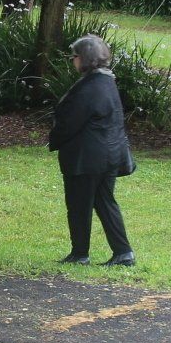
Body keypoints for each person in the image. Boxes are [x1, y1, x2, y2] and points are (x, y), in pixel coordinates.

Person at [48, 34, 134, 266]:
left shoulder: (89, 87)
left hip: (86, 158)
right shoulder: (107, 81)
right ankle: (123, 252)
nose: (72, 61)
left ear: (84, 59)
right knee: (105, 201)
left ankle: (80, 253)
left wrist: (54, 139)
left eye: (74, 57)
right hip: (110, 154)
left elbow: (68, 122)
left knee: (78, 205)